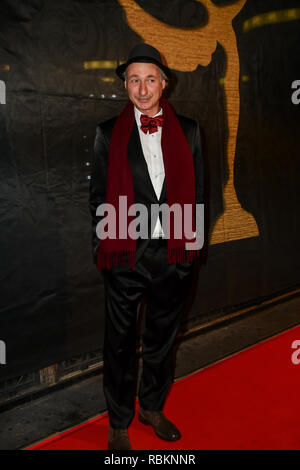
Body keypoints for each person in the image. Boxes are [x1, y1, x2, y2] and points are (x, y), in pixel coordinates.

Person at [89, 43, 204, 450]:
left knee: (161, 341)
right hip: (126, 256)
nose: (142, 88)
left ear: (164, 83)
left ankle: (151, 407)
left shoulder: (189, 130)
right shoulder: (107, 133)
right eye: (134, 80)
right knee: (119, 344)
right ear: (125, 85)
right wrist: (108, 255)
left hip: (173, 257)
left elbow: (199, 197)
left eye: (150, 79)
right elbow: (98, 199)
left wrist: (189, 256)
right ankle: (118, 421)